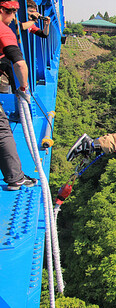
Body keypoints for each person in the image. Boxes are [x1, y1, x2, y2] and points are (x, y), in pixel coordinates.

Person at [0, 0, 37, 190]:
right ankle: (15, 178)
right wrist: (24, 88)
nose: (14, 16)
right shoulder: (4, 30)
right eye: (12, 11)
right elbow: (20, 64)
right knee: (2, 131)